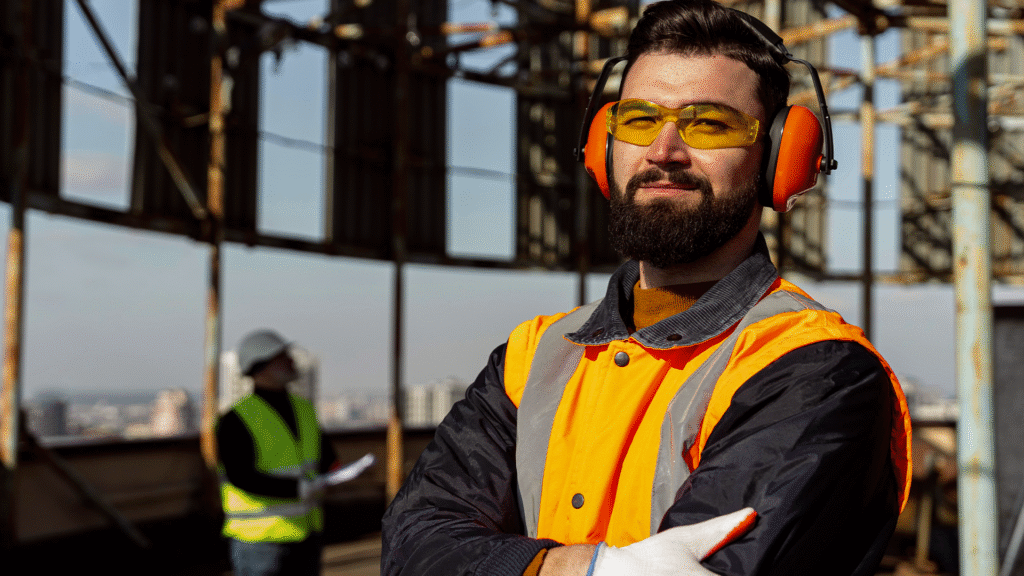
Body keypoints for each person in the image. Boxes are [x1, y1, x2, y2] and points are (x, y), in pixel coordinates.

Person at [381, 2, 912, 575]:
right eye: (637, 121)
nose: (663, 151)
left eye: (710, 124)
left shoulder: (815, 369)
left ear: (780, 159)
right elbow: (413, 542)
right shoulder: (532, 356)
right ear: (603, 149)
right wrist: (570, 569)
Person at [217, 329, 338, 576]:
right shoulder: (235, 420)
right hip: (259, 542)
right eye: (282, 357)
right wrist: (298, 488)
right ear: (259, 366)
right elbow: (240, 476)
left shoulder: (304, 410)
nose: (291, 360)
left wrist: (335, 471)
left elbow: (326, 456)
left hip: (306, 534)